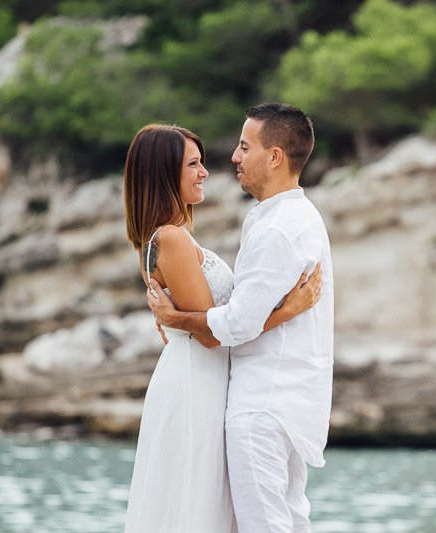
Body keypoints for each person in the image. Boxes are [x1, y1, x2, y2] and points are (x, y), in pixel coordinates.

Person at [122, 124, 322, 533]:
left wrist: (176, 321)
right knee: (198, 500)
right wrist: (287, 310)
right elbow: (212, 333)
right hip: (198, 380)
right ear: (164, 173)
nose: (205, 172)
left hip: (203, 374)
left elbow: (199, 323)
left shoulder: (166, 238)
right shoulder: (172, 239)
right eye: (193, 164)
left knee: (202, 501)